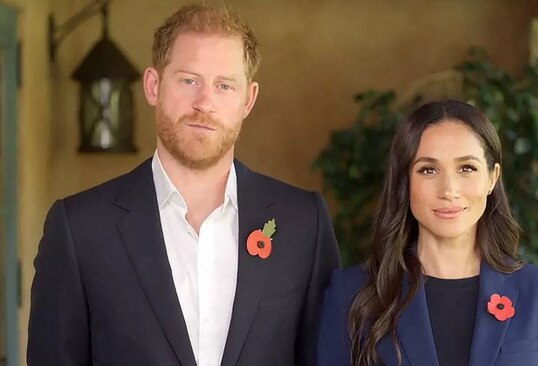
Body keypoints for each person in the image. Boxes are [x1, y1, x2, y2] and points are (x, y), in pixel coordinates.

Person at [28, 4, 340, 366]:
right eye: (189, 80)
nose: (204, 102)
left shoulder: (304, 223)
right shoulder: (79, 228)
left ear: (248, 100)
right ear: (153, 86)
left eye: (224, 85)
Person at [317, 100, 538, 366]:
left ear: (492, 177)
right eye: (428, 170)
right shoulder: (351, 294)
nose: (449, 189)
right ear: (405, 182)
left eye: (467, 168)